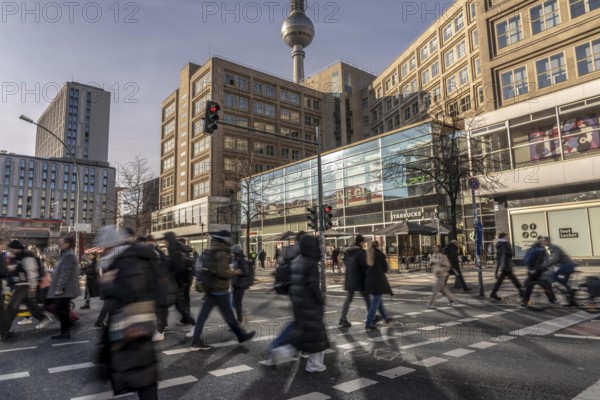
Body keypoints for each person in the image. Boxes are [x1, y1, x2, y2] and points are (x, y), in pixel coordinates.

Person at [95, 226, 159, 400]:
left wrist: (108, 284)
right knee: (141, 371)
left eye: (105, 247)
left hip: (132, 324)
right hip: (134, 322)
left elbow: (133, 289)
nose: (103, 251)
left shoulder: (125, 259)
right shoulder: (125, 258)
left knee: (141, 373)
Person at [187, 231, 255, 350]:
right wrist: (233, 272)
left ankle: (196, 341)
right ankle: (241, 335)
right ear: (225, 240)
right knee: (229, 317)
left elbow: (198, 268)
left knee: (203, 317)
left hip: (210, 289)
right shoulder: (222, 253)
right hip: (220, 290)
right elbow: (222, 272)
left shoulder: (208, 251)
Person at [287, 235, 330, 372]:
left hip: (299, 304)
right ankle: (314, 365)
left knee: (305, 333)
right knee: (316, 335)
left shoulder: (297, 260)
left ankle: (283, 351)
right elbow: (313, 286)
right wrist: (320, 300)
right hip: (310, 305)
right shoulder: (311, 263)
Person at [4, 240, 52, 334]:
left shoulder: (26, 256)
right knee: (31, 306)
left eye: (10, 248)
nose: (9, 250)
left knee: (12, 306)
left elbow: (32, 272)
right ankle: (43, 318)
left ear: (15, 248)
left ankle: (5, 329)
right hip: (21, 284)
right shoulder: (17, 256)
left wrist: (33, 287)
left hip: (24, 285)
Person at [46, 236, 81, 339]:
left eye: (61, 242)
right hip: (64, 289)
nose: (59, 244)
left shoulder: (69, 255)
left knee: (59, 309)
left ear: (67, 244)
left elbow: (65, 273)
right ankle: (66, 330)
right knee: (62, 310)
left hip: (65, 290)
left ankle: (66, 330)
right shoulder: (65, 254)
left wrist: (59, 287)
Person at [339, 235, 373, 328]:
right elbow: (364, 265)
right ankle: (372, 317)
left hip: (349, 277)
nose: (364, 243)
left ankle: (342, 318)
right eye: (363, 242)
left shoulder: (348, 252)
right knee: (367, 297)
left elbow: (346, 263)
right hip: (359, 279)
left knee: (349, 298)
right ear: (361, 242)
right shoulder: (360, 252)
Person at [164, 232, 196, 327]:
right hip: (185, 280)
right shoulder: (179, 249)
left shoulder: (176, 251)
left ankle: (193, 322)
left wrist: (169, 277)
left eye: (165, 240)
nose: (165, 243)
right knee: (182, 302)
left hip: (180, 281)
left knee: (179, 303)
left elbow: (178, 268)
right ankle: (188, 320)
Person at [365, 241, 393, 331]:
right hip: (378, 281)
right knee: (375, 303)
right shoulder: (380, 254)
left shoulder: (368, 254)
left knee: (378, 301)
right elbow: (385, 268)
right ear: (378, 246)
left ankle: (386, 318)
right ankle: (369, 323)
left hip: (369, 281)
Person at [521, 238, 556, 307]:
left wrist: (530, 269)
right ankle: (552, 300)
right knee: (545, 286)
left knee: (529, 287)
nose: (544, 244)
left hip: (531, 270)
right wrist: (536, 269)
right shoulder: (541, 250)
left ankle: (524, 301)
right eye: (543, 243)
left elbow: (527, 260)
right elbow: (539, 261)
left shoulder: (531, 248)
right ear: (541, 244)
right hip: (538, 271)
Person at [490, 233, 523, 302]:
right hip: (506, 265)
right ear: (503, 237)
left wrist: (497, 268)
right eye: (506, 237)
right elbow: (510, 253)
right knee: (514, 280)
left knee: (499, 281)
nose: (507, 238)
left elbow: (498, 257)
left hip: (503, 265)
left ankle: (493, 294)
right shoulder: (505, 244)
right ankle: (522, 292)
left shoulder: (498, 245)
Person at [427, 245, 455, 309]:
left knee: (435, 289)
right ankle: (452, 300)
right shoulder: (433, 256)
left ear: (439, 248)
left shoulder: (443, 256)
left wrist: (441, 270)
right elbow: (433, 265)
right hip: (437, 275)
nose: (434, 248)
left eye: (436, 247)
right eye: (433, 247)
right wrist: (430, 265)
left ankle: (431, 303)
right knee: (444, 289)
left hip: (442, 275)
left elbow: (448, 265)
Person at [231, 244, 251, 324]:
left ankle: (239, 320)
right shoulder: (234, 259)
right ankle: (240, 318)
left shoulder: (242, 260)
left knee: (237, 303)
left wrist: (237, 272)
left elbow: (246, 272)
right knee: (234, 303)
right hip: (235, 283)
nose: (233, 253)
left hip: (241, 284)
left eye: (234, 252)